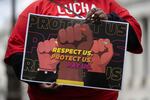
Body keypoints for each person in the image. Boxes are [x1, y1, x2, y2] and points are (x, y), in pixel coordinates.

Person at [4, 0, 143, 100]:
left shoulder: (107, 4)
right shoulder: (38, 7)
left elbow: (134, 39)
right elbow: (16, 51)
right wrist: (37, 79)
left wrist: (111, 20)